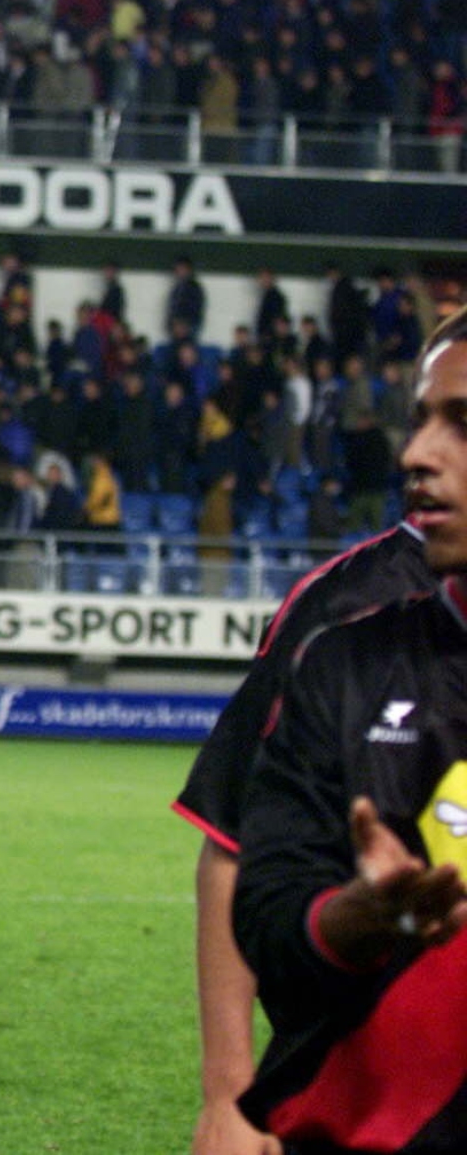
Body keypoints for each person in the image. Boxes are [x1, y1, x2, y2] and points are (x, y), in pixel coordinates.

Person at [231, 307, 467, 1150]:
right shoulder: (343, 659)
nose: (416, 454)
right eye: (420, 420)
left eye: (462, 423)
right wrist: (352, 920)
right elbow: (264, 908)